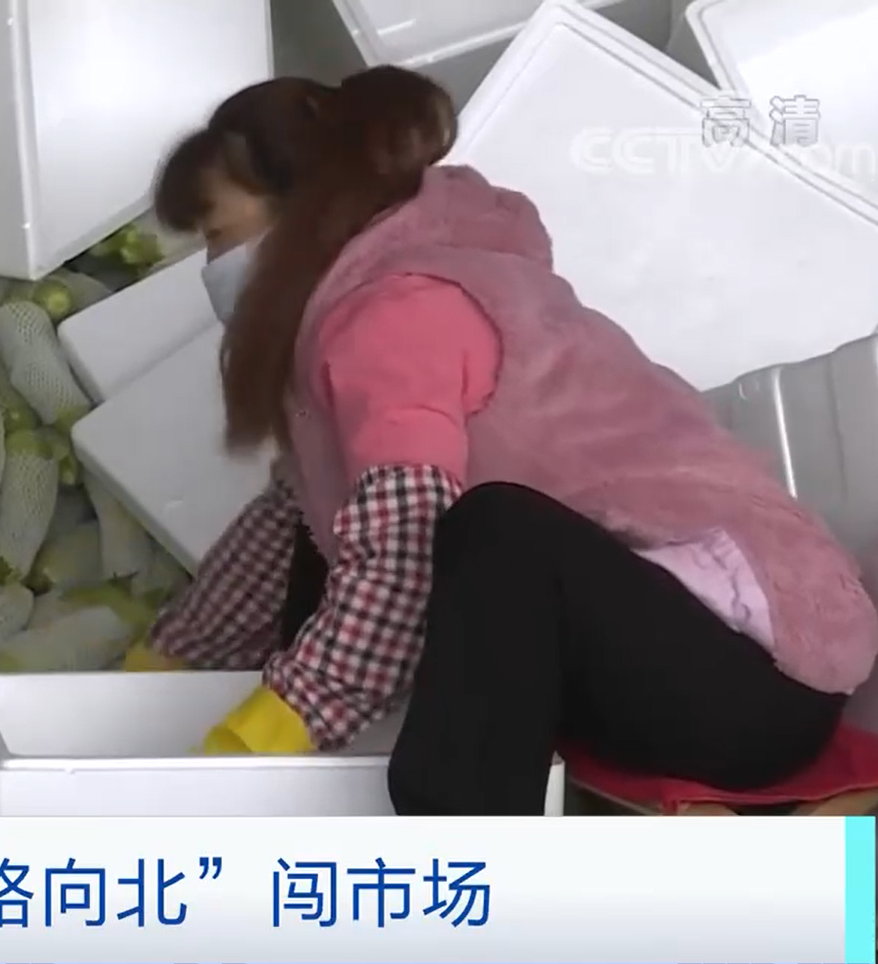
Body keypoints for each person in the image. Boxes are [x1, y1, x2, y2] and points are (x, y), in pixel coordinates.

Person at [126, 65, 878, 815]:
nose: (213, 269)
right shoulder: (353, 316)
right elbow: (288, 523)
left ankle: (460, 848)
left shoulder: (396, 314)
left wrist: (262, 734)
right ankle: (317, 789)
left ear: (305, 214)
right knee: (348, 526)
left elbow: (402, 556)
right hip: (638, 650)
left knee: (493, 530)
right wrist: (158, 669)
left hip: (754, 676)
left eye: (218, 236)